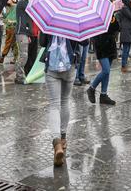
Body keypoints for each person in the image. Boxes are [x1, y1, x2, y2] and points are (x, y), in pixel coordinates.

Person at [44, 34, 80, 167]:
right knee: (65, 101)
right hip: (69, 65)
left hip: (52, 64)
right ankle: (63, 138)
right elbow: (85, 42)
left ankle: (57, 144)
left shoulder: (50, 18)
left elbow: (43, 42)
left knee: (54, 105)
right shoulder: (76, 19)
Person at [87, 12, 118, 105]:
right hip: (101, 46)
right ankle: (91, 88)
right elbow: (93, 31)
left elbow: (117, 28)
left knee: (107, 73)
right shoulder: (94, 16)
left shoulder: (110, 14)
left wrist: (112, 20)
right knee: (106, 70)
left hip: (111, 45)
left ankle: (103, 95)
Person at [14, 0, 33, 84]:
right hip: (21, 32)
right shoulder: (22, 2)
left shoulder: (24, 2)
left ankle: (19, 76)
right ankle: (20, 77)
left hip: (24, 33)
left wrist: (29, 34)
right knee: (23, 55)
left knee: (24, 55)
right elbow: (32, 9)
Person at [0, 0, 19, 64]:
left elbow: (18, 17)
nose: (7, 0)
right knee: (12, 43)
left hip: (14, 27)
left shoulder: (17, 7)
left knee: (9, 42)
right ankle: (15, 58)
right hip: (8, 28)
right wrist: (4, 17)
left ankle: (3, 57)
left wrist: (13, 21)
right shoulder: (7, 7)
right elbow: (4, 17)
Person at [117, 0, 131, 73]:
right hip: (126, 31)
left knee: (127, 49)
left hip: (129, 30)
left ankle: (125, 65)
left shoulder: (127, 8)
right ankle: (123, 66)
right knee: (125, 49)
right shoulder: (125, 8)